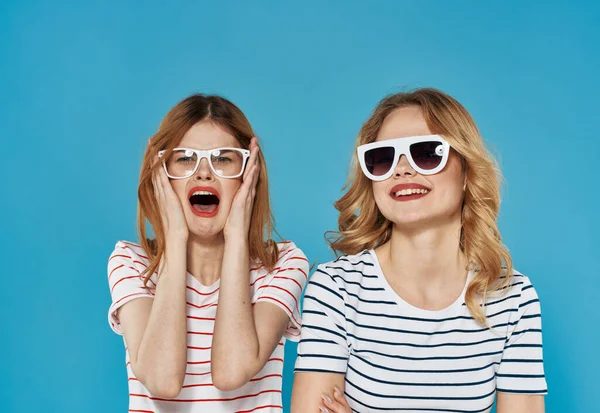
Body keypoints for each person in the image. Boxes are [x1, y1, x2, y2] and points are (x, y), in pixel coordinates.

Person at [291, 88, 546, 413]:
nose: (402, 170)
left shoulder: (512, 298)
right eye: (382, 158)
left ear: (466, 172)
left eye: (426, 153)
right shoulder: (336, 289)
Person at [107, 94, 308, 412]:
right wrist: (174, 237)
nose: (204, 173)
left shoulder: (283, 263)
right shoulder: (132, 262)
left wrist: (238, 237)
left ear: (248, 174)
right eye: (185, 158)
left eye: (224, 158)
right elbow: (162, 381)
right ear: (161, 174)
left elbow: (231, 372)